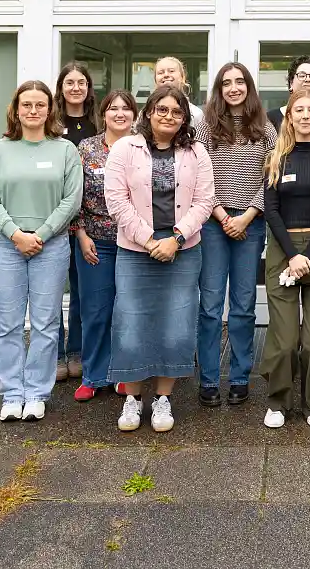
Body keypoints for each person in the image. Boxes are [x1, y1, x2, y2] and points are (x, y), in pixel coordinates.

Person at [104, 85, 215, 433]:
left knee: (177, 325)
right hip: (137, 252)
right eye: (161, 109)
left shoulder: (196, 152)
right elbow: (116, 200)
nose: (168, 116)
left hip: (183, 251)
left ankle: (163, 398)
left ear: (185, 118)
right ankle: (133, 399)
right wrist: (151, 239)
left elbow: (204, 202)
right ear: (149, 112)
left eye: (176, 112)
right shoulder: (125, 148)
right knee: (131, 326)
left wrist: (176, 238)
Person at [0, 81, 83, 422]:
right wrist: (15, 234)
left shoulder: (65, 150)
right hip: (5, 246)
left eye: (40, 104)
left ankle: (37, 392)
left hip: (50, 246)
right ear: (16, 109)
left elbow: (71, 200)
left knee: (45, 322)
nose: (33, 111)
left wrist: (39, 234)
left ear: (50, 110)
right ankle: (11, 393)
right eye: (27, 105)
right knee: (8, 324)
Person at [259, 88, 310, 429]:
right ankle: (279, 401)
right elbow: (272, 209)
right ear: (289, 117)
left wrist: (307, 255)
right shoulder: (276, 158)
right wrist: (292, 255)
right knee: (284, 339)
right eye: (299, 110)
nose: (306, 115)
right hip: (283, 249)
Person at [196, 62, 277, 407]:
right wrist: (219, 213)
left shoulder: (266, 128)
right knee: (211, 305)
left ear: (248, 87)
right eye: (226, 83)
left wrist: (246, 216)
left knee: (244, 306)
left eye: (239, 82)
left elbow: (272, 177)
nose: (233, 88)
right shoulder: (206, 128)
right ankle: (210, 379)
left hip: (250, 222)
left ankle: (241, 377)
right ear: (219, 88)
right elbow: (198, 175)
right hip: (212, 223)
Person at [71, 89, 138, 402]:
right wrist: (81, 234)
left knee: (126, 310)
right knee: (95, 310)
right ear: (104, 114)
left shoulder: (143, 147)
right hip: (95, 241)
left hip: (134, 243)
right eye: (113, 108)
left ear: (135, 115)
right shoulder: (87, 148)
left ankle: (123, 374)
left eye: (126, 108)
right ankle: (93, 375)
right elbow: (75, 195)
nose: (120, 114)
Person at [53, 61, 100, 382]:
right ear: (61, 87)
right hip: (55, 220)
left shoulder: (98, 123)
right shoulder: (50, 123)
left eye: (81, 82)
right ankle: (55, 354)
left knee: (83, 291)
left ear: (88, 88)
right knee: (53, 289)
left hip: (88, 222)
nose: (75, 88)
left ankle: (78, 351)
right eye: (69, 82)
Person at [153, 56, 204, 128]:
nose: (166, 75)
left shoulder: (196, 114)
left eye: (171, 71)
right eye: (161, 73)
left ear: (182, 77)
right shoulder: (146, 112)